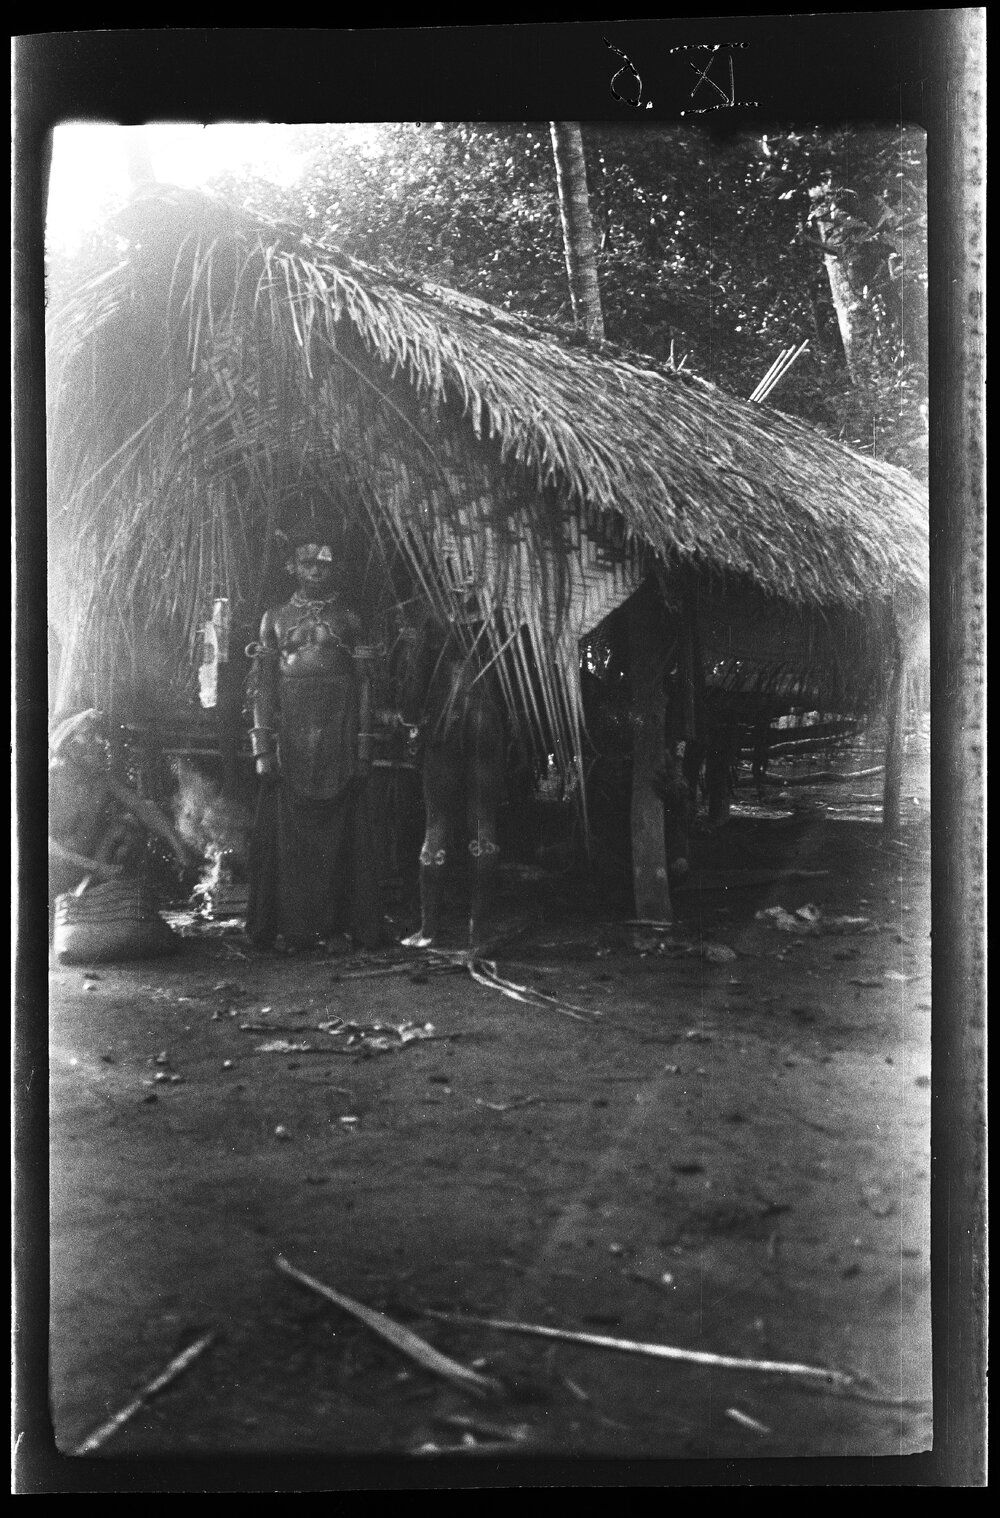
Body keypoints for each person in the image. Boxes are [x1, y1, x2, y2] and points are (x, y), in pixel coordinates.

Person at [245, 517, 382, 951]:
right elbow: (263, 685)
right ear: (292, 567)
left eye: (324, 564)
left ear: (334, 568)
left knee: (340, 837)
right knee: (288, 840)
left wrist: (363, 747)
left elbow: (365, 684)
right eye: (308, 564)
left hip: (338, 732)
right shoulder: (274, 618)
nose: (316, 571)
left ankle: (335, 929)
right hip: (291, 736)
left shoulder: (349, 620)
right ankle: (292, 929)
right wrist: (262, 747)